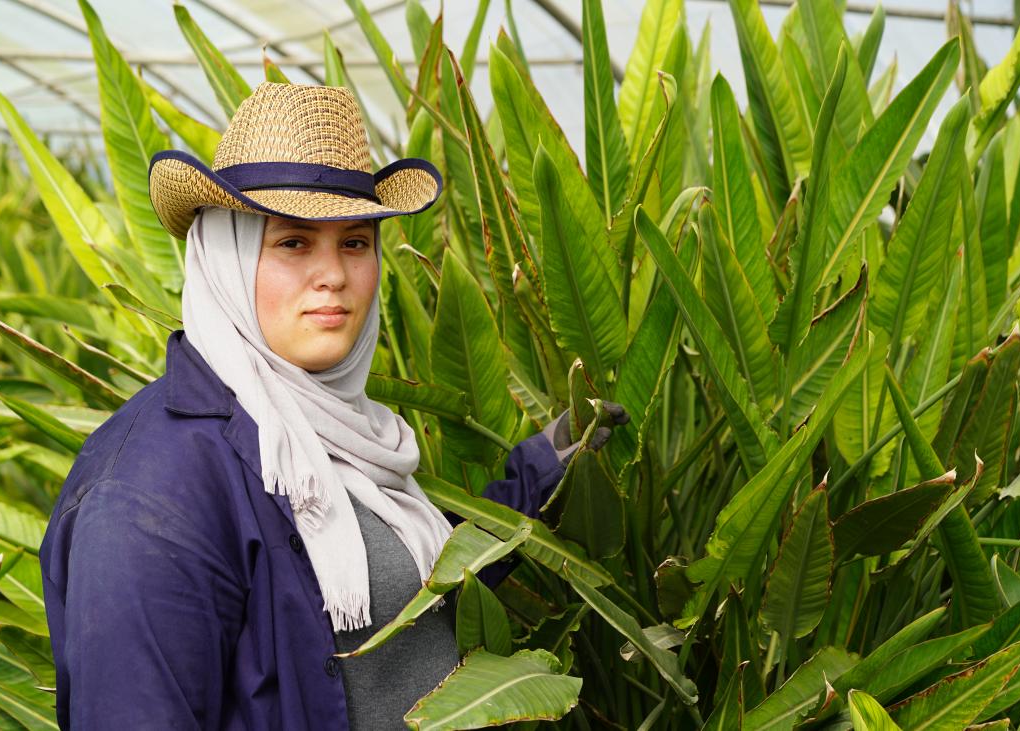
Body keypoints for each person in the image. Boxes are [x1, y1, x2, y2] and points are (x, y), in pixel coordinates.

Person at [39, 82, 628, 730]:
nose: (334, 276)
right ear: (228, 257)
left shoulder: (334, 429)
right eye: (293, 242)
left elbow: (410, 593)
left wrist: (542, 472)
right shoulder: (151, 493)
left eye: (354, 242)